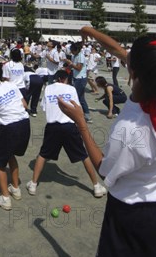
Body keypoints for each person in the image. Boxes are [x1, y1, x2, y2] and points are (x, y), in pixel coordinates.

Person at [58, 27, 156, 257]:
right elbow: (117, 49)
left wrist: (81, 124)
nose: (123, 53)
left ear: (132, 71)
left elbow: (104, 170)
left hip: (134, 215)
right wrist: (90, 31)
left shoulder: (131, 128)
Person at [26, 70, 106, 198]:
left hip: (52, 126)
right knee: (83, 155)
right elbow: (77, 109)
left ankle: (33, 184)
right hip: (69, 125)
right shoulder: (71, 89)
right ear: (64, 79)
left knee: (43, 154)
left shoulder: (48, 88)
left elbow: (44, 107)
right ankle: (96, 186)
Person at [0, 62, 30, 211]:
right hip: (24, 123)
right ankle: (15, 188)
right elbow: (25, 105)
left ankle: (5, 198)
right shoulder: (11, 85)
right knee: (11, 156)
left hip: (9, 127)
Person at [64, 42, 92, 123]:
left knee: (77, 97)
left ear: (76, 50)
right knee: (81, 98)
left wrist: (71, 64)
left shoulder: (81, 56)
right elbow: (72, 66)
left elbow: (78, 68)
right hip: (76, 78)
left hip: (81, 79)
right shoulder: (75, 56)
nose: (71, 52)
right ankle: (86, 115)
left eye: (72, 50)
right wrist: (66, 67)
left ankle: (80, 115)